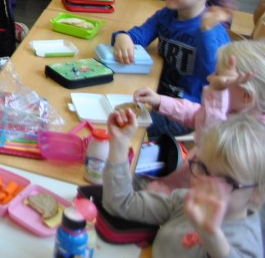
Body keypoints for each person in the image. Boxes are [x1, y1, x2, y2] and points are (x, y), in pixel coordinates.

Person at [103, 110, 265, 258]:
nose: (205, 183)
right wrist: (120, 143)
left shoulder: (245, 244)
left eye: (227, 181)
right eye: (202, 168)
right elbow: (122, 203)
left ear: (257, 194)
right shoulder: (186, 200)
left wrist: (211, 236)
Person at [112, 0, 230, 137]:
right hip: (158, 95)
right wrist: (122, 37)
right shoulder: (166, 14)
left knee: (123, 125)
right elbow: (139, 35)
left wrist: (205, 32)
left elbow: (214, 78)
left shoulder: (212, 32)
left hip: (188, 112)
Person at [135, 41, 265, 194]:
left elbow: (209, 141)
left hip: (186, 196)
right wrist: (160, 101)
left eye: (218, 77)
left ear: (246, 96)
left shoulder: (254, 137)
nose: (210, 78)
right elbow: (197, 114)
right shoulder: (238, 111)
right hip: (180, 180)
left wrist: (217, 93)